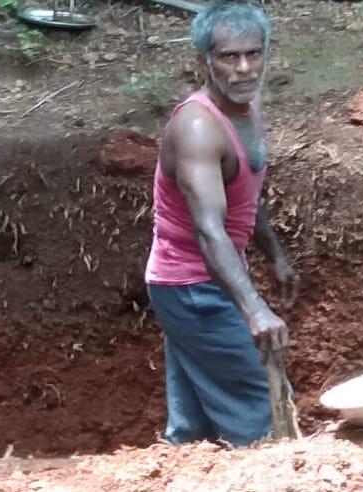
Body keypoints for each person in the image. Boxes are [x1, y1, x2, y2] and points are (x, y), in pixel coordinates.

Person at [143, 2, 298, 446]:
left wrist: (275, 254)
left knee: (194, 432)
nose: (244, 68)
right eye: (229, 57)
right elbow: (209, 229)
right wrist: (253, 309)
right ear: (204, 61)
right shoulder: (197, 128)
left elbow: (244, 194)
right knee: (266, 410)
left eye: (254, 54)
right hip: (190, 286)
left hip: (205, 281)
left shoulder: (245, 106)